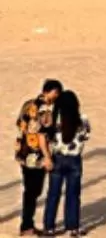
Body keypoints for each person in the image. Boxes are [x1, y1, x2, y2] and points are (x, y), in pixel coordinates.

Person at [42, 88, 88, 236]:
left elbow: (46, 136)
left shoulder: (53, 120)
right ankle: (72, 227)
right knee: (73, 194)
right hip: (74, 159)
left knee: (53, 194)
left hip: (57, 158)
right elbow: (86, 136)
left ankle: (49, 227)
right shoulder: (83, 120)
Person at [16, 78, 60, 232]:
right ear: (47, 92)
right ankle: (26, 225)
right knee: (33, 191)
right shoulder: (44, 110)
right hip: (36, 156)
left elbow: (20, 124)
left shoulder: (27, 104)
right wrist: (47, 156)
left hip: (23, 153)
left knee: (30, 190)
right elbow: (43, 135)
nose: (56, 96)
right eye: (55, 93)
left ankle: (27, 223)